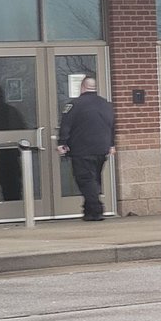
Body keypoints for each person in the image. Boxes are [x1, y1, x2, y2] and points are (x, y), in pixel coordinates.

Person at [57, 77, 115, 221]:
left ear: (82, 87)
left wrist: (62, 142)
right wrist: (111, 144)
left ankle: (96, 210)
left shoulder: (74, 105)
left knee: (85, 179)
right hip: (101, 148)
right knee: (94, 179)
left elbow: (66, 125)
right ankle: (88, 212)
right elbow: (112, 125)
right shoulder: (106, 104)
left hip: (81, 149)